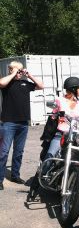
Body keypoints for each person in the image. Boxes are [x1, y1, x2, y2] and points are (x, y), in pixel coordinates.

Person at [27, 76, 79, 201]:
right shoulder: (59, 100)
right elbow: (54, 116)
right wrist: (55, 115)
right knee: (50, 155)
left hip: (77, 136)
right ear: (73, 89)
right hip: (61, 134)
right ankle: (34, 188)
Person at [0, 61, 44, 190]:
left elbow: (41, 86)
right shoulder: (7, 84)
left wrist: (29, 75)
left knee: (18, 152)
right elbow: (1, 83)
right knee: (3, 152)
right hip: (8, 123)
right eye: (16, 71)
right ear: (10, 70)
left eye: (20, 71)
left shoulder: (25, 84)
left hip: (23, 123)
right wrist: (14, 72)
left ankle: (15, 175)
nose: (19, 73)